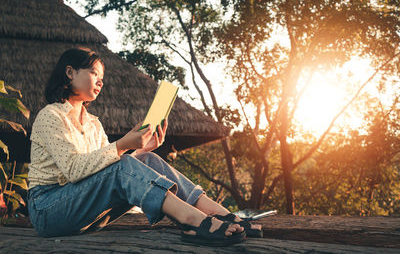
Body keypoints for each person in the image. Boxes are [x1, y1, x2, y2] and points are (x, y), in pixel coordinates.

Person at [27, 47, 262, 247]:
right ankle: (193, 221)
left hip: (83, 210)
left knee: (147, 159)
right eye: (94, 73)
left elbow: (104, 173)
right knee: (125, 163)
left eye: (102, 77)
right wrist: (121, 145)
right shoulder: (51, 116)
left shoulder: (93, 123)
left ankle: (220, 214)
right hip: (48, 209)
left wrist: (140, 150)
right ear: (70, 72)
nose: (100, 81)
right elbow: (74, 170)